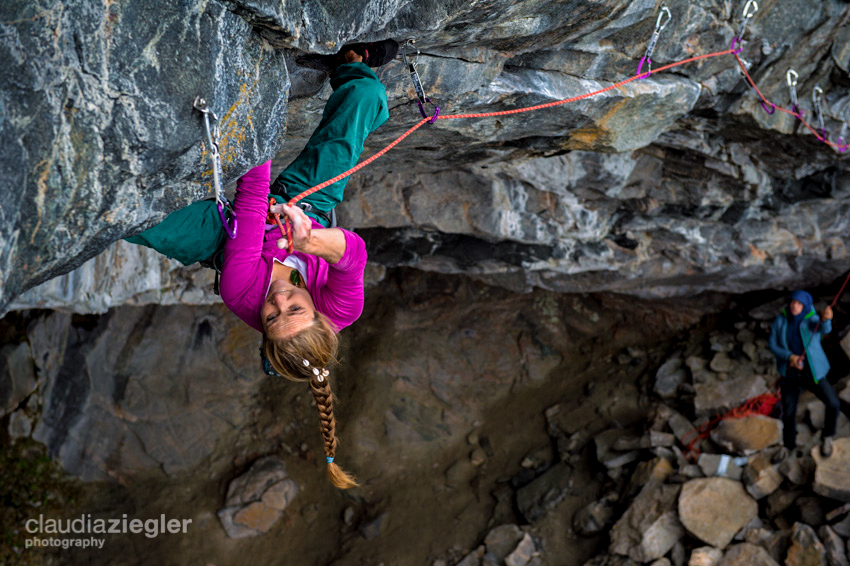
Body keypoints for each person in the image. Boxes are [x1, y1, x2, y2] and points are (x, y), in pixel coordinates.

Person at [125, 40, 399, 488]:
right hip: (304, 211)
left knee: (141, 219)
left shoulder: (241, 292)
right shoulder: (342, 310)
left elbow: (252, 197)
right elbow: (354, 255)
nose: (279, 300)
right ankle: (353, 63)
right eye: (296, 308)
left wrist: (259, 98)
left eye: (272, 317)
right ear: (323, 318)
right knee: (366, 100)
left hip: (226, 237)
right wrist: (309, 242)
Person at [768, 290, 840, 461]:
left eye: (799, 303)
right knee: (788, 411)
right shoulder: (780, 321)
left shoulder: (812, 320)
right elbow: (772, 344)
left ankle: (828, 436)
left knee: (833, 403)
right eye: (793, 302)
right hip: (790, 375)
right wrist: (789, 357)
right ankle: (788, 445)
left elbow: (824, 328)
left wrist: (827, 318)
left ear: (805, 306)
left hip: (811, 372)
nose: (794, 306)